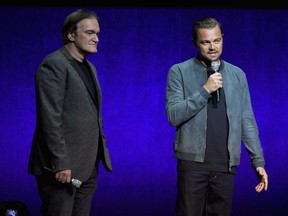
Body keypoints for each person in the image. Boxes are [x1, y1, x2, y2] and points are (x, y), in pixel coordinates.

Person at [165, 17, 268, 216]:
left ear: (222, 39)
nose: (213, 47)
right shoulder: (179, 71)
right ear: (195, 43)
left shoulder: (237, 75)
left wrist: (258, 162)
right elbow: (173, 115)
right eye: (205, 42)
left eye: (217, 40)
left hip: (225, 166)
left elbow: (246, 120)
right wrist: (205, 90)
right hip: (193, 166)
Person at [27, 9, 112, 216]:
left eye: (97, 33)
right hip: (61, 168)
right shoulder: (54, 64)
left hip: (87, 165)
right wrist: (61, 164)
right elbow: (50, 119)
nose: (96, 39)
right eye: (90, 32)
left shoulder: (89, 67)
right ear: (71, 35)